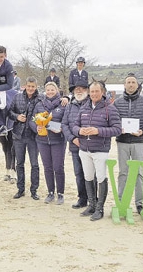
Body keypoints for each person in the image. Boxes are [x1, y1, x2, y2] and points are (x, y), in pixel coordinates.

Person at [71, 80, 121, 221]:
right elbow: (75, 125)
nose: (94, 94)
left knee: (100, 177)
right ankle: (91, 205)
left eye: (96, 91)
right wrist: (79, 130)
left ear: (102, 92)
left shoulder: (110, 108)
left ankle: (100, 208)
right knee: (88, 177)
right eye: (91, 91)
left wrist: (97, 131)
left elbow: (117, 129)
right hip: (84, 149)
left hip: (100, 149)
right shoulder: (84, 107)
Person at [113, 73, 143, 215]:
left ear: (137, 85)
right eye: (128, 82)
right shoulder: (117, 102)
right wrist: (117, 129)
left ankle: (140, 203)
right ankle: (121, 201)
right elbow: (113, 121)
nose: (131, 84)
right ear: (124, 85)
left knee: (139, 172)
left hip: (139, 141)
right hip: (122, 141)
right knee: (123, 173)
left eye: (133, 82)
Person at [30, 81, 67, 205]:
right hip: (42, 140)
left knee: (58, 167)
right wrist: (36, 128)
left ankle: (60, 193)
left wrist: (62, 128)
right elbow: (32, 120)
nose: (50, 91)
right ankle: (50, 192)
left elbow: (67, 120)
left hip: (58, 140)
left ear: (57, 90)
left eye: (52, 89)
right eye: (48, 90)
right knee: (47, 167)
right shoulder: (39, 104)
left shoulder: (63, 104)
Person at [8, 76, 42, 200]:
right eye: (29, 86)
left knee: (34, 164)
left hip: (33, 136)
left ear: (36, 87)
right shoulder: (17, 97)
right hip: (18, 135)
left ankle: (34, 190)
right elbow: (9, 112)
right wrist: (17, 117)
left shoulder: (40, 99)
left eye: (33, 87)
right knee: (19, 164)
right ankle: (20, 189)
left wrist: (65, 98)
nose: (31, 88)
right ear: (25, 86)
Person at [61, 79, 89, 209]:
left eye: (82, 88)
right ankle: (82, 198)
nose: (79, 90)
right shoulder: (70, 106)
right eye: (76, 88)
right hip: (74, 144)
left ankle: (93, 198)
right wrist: (72, 138)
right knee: (78, 173)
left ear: (87, 90)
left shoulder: (91, 103)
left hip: (90, 144)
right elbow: (64, 124)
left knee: (91, 173)